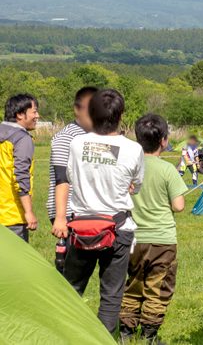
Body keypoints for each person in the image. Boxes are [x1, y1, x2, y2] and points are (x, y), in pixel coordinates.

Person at [52, 89, 145, 334]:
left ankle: (64, 334)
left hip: (81, 227)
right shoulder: (133, 149)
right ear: (120, 115)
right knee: (111, 294)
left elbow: (69, 177)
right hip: (118, 229)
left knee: (71, 289)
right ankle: (103, 338)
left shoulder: (77, 143)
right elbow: (136, 186)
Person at [120, 114, 188, 344]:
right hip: (162, 240)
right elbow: (178, 206)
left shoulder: (129, 167)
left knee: (133, 284)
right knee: (158, 286)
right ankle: (149, 336)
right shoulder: (167, 170)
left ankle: (126, 333)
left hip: (132, 238)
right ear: (164, 141)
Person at [47, 86, 97, 272]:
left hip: (86, 210)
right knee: (69, 268)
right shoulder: (66, 137)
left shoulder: (92, 136)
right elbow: (62, 178)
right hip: (68, 212)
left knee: (83, 267)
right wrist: (60, 218)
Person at [0, 93, 39, 242]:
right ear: (20, 115)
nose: (37, 116)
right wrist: (28, 212)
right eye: (34, 112)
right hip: (13, 215)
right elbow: (20, 176)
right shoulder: (22, 139)